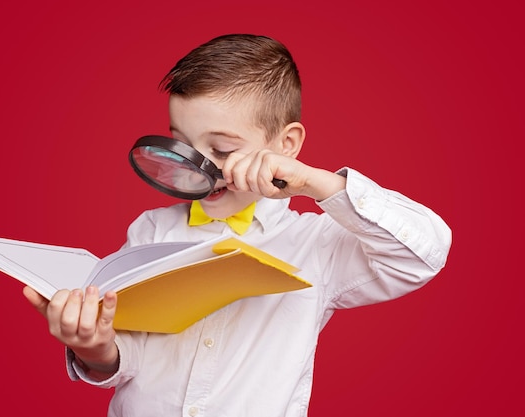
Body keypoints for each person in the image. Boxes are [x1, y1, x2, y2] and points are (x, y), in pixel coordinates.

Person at [23, 34, 452, 416]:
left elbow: (421, 254)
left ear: (286, 146)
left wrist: (316, 181)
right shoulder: (151, 231)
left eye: (223, 149)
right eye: (182, 146)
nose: (198, 167)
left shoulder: (314, 246)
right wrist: (94, 348)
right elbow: (127, 361)